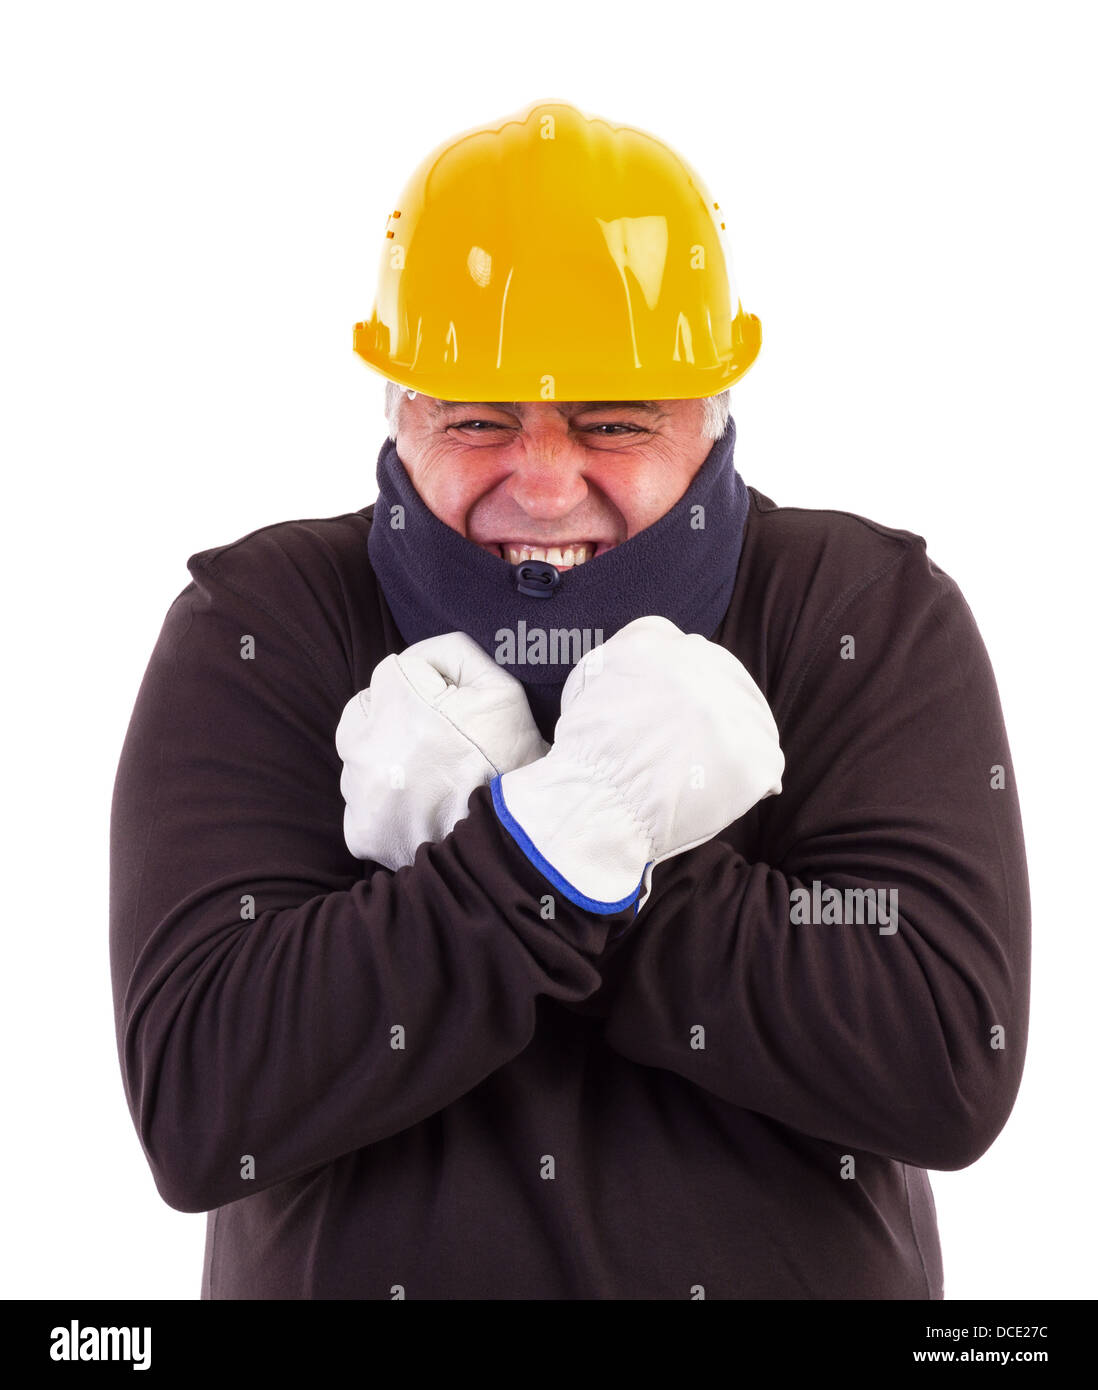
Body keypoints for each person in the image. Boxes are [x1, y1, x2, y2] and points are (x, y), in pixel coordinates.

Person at [109, 100, 1030, 1300]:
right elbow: (198, 1102)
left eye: (611, 420)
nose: (544, 484)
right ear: (399, 409)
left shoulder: (861, 617)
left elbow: (946, 1056)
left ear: (709, 417)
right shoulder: (263, 627)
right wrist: (552, 843)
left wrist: (533, 841)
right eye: (480, 418)